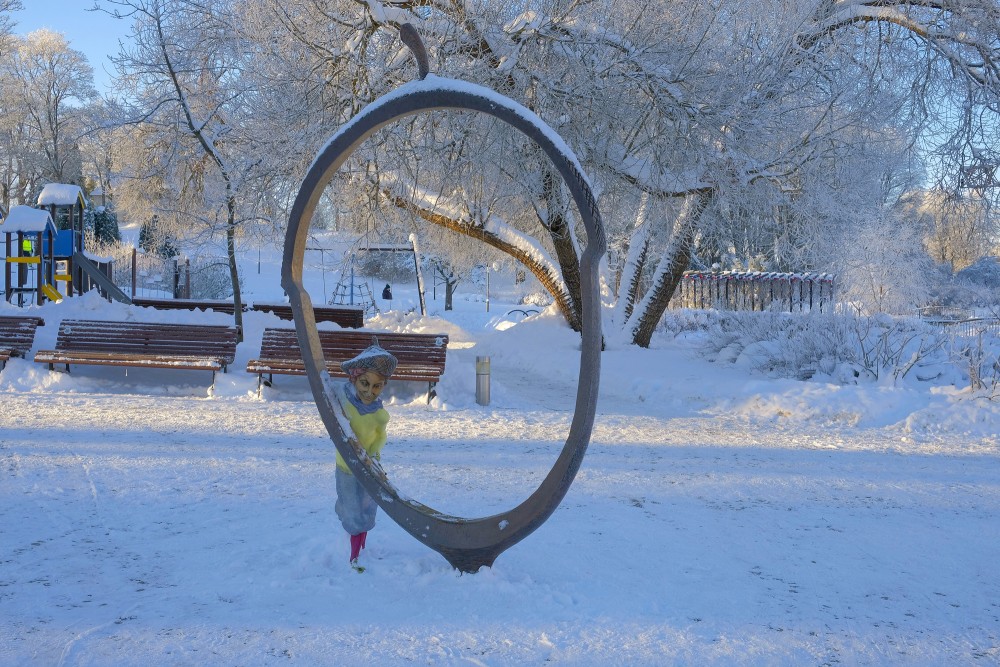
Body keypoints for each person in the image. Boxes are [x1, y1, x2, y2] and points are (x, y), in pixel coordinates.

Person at [334, 342, 398, 572]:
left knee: (368, 506)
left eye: (377, 386)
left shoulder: (379, 414)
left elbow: (380, 437)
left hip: (369, 466)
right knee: (352, 509)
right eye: (365, 383)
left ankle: (362, 547)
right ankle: (352, 552)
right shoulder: (343, 400)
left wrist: (374, 456)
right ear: (353, 379)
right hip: (347, 468)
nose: (370, 391)